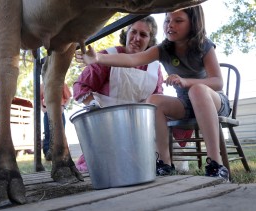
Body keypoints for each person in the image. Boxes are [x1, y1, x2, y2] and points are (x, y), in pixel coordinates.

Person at [75, 5, 231, 180]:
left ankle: (216, 165)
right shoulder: (164, 49)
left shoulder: (204, 45)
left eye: (178, 21)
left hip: (214, 102)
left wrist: (187, 82)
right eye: (167, 20)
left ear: (193, 23)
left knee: (198, 91)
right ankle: (164, 163)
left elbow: (217, 82)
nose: (170, 25)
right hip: (186, 105)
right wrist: (98, 58)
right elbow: (132, 59)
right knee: (154, 101)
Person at [73, 16, 164, 173]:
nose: (136, 38)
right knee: (109, 167)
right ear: (126, 33)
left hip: (140, 131)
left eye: (143, 35)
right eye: (133, 32)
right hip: (107, 128)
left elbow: (158, 101)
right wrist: (96, 110)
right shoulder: (108, 56)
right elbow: (81, 86)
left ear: (150, 40)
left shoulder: (155, 68)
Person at [40, 82, 72, 161]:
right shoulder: (42, 85)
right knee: (47, 131)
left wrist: (63, 106)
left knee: (61, 132)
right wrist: (42, 108)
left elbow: (68, 98)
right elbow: (39, 98)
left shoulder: (62, 83)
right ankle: (48, 153)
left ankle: (62, 153)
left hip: (59, 111)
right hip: (48, 111)